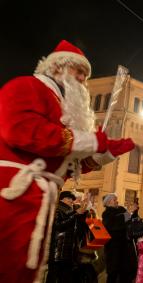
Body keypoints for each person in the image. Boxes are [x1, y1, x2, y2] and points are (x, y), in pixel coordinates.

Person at [0, 40, 135, 283]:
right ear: (56, 67)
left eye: (85, 73)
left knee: (25, 270)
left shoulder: (64, 110)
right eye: (79, 71)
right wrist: (89, 141)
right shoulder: (26, 86)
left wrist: (104, 153)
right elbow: (21, 130)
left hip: (39, 201)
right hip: (11, 194)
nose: (83, 79)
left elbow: (67, 166)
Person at [45, 190, 88, 283]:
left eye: (72, 199)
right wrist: (76, 214)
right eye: (68, 198)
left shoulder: (70, 211)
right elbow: (58, 225)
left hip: (69, 251)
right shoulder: (57, 210)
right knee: (54, 276)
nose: (71, 200)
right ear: (62, 199)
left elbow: (79, 227)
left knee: (65, 277)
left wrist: (83, 212)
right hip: (58, 251)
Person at [102, 193, 139, 283]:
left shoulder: (121, 209)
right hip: (113, 247)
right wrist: (128, 213)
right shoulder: (106, 213)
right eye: (114, 200)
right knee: (113, 272)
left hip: (125, 246)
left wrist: (134, 211)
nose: (117, 201)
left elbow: (130, 220)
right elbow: (115, 224)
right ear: (108, 202)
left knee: (126, 271)